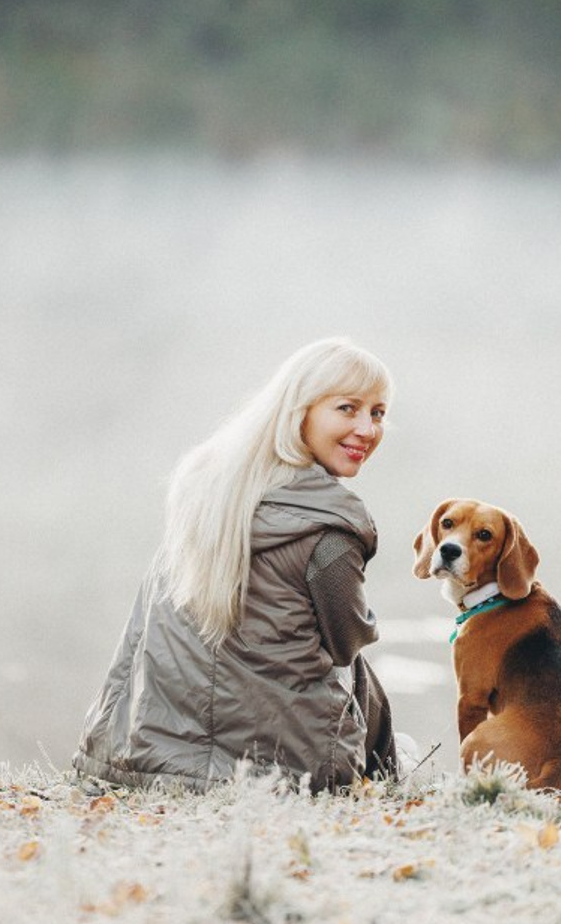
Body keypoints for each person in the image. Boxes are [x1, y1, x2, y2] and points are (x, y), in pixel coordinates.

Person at [74, 337, 398, 791]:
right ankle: (390, 779)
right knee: (366, 681)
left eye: (378, 413)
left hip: (143, 757)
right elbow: (346, 642)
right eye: (347, 408)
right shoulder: (330, 530)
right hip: (284, 772)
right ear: (298, 411)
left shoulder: (207, 492)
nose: (367, 429)